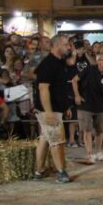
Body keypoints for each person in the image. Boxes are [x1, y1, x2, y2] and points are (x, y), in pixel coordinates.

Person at [33, 35, 71, 183]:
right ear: (56, 46)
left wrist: (65, 106)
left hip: (56, 107)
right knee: (56, 140)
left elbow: (60, 87)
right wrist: (48, 111)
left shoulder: (59, 62)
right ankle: (61, 172)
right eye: (66, 44)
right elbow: (43, 88)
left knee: (45, 139)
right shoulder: (47, 64)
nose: (68, 47)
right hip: (48, 109)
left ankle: (39, 171)